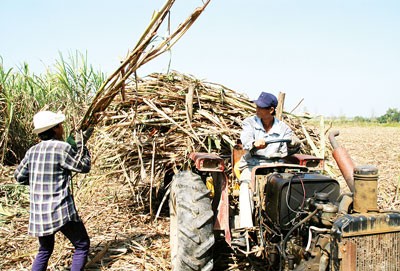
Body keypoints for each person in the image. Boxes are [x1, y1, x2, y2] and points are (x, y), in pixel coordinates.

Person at [14, 110, 93, 271]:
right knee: (82, 244)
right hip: (60, 210)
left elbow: (19, 177)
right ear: (55, 129)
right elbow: (84, 167)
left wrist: (39, 181)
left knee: (45, 249)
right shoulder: (61, 148)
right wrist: (82, 145)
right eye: (61, 126)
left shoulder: (32, 151)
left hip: (39, 213)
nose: (63, 129)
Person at [237, 92, 294, 232]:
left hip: (275, 166)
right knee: (246, 187)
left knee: (288, 186)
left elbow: (288, 147)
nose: (257, 109)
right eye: (257, 106)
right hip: (253, 165)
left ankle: (287, 225)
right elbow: (245, 141)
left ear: (271, 110)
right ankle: (246, 229)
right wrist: (254, 143)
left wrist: (294, 143)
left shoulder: (284, 128)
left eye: (260, 107)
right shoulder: (249, 122)